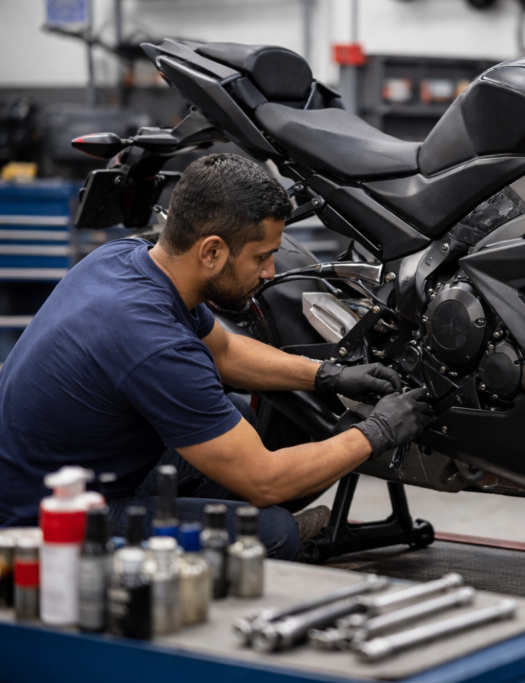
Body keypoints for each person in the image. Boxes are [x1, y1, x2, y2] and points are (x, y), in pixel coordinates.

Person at [0, 153, 432, 559]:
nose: (270, 273)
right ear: (211, 251)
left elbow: (224, 350)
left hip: (62, 469)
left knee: (236, 415)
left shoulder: (124, 258)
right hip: (44, 514)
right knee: (272, 530)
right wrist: (377, 431)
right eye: (261, 258)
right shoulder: (155, 344)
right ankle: (212, 533)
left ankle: (194, 522)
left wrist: (329, 375)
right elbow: (265, 480)